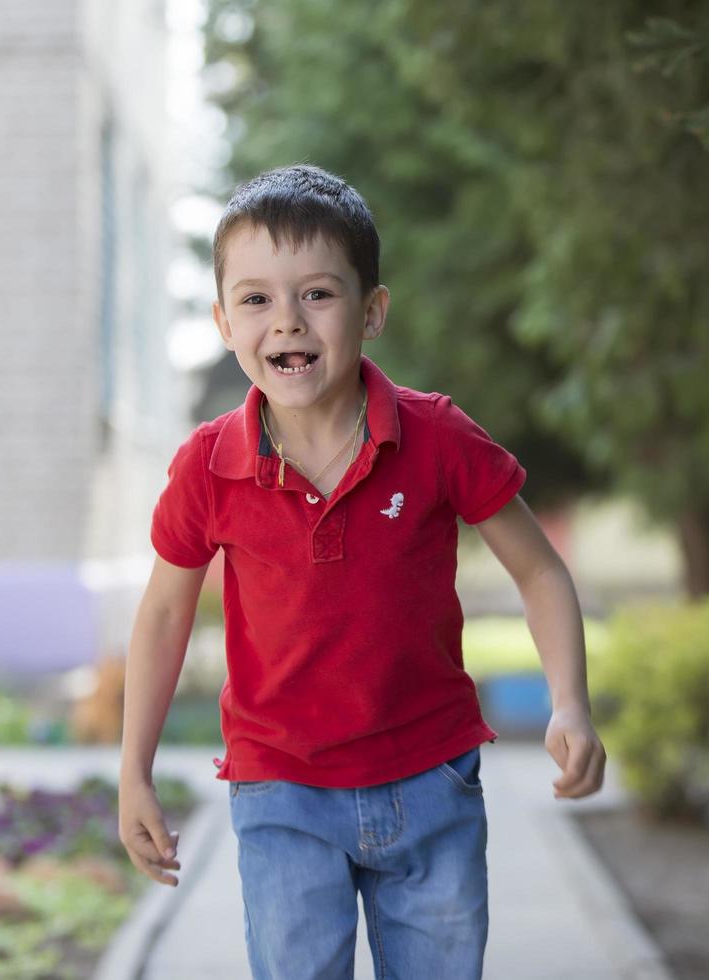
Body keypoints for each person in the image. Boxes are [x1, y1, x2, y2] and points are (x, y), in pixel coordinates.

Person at [117, 164, 605, 979]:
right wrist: (133, 772)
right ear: (222, 322)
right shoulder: (208, 466)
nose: (287, 323)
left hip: (432, 784)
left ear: (371, 311)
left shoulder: (438, 437)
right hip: (281, 795)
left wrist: (572, 703)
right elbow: (165, 617)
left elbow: (542, 573)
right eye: (257, 300)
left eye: (317, 294)